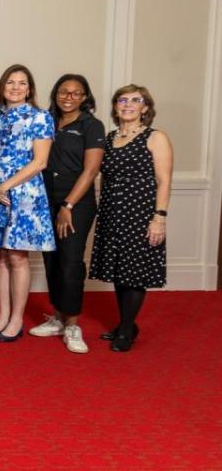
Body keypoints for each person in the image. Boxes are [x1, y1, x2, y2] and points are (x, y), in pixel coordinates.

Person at [89, 85, 171, 352]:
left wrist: (159, 218)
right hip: (112, 213)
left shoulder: (155, 137)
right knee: (119, 271)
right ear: (115, 106)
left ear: (145, 107)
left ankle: (126, 329)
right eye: (123, 100)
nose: (128, 105)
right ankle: (128, 322)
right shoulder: (111, 137)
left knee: (134, 273)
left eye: (136, 100)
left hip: (140, 214)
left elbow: (164, 181)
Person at [0, 64, 56, 343]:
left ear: (29, 89)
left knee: (17, 257)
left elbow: (40, 161)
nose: (15, 87)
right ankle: (2, 316)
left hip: (24, 195)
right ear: (2, 86)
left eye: (21, 83)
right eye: (10, 82)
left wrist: (5, 186)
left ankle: (16, 319)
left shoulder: (39, 117)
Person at [31, 74, 104, 354]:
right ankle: (59, 317)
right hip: (45, 200)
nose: (68, 97)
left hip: (76, 205)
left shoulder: (91, 125)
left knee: (71, 262)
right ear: (56, 94)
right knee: (52, 260)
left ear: (84, 97)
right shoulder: (48, 121)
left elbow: (91, 170)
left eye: (75, 93)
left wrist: (68, 206)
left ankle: (73, 324)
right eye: (63, 92)